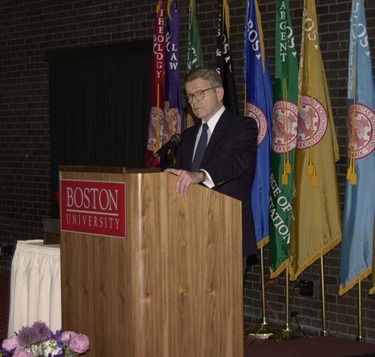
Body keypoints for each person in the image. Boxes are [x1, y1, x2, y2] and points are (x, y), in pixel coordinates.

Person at [165, 67, 258, 274]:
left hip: (227, 232)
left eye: (200, 93)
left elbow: (236, 161)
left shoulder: (243, 126)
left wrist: (201, 175)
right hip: (188, 235)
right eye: (190, 96)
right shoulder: (186, 137)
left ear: (219, 93)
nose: (194, 100)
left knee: (224, 305)